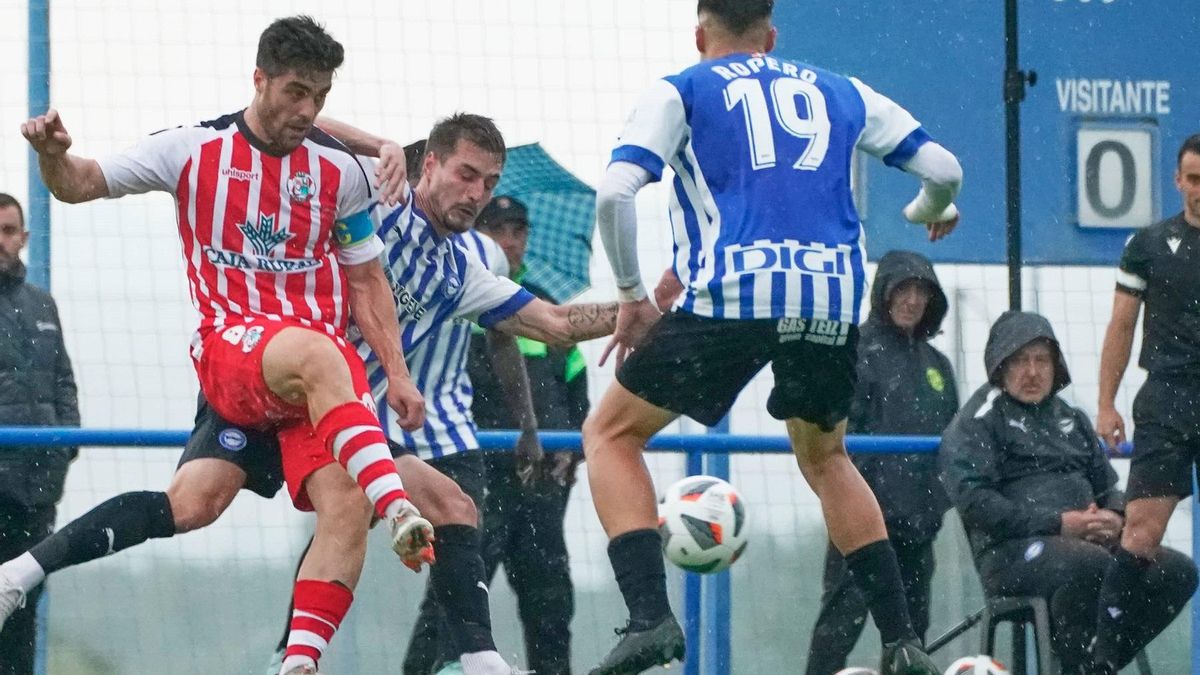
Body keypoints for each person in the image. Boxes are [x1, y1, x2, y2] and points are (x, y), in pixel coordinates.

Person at [8, 17, 438, 675]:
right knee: (326, 360)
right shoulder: (191, 149)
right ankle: (399, 501)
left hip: (310, 389)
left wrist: (401, 375)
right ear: (258, 78)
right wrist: (50, 155)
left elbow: (367, 280)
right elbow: (80, 182)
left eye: (319, 96)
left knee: (213, 502)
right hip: (235, 352)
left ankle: (297, 661)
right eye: (295, 91)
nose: (307, 109)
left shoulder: (340, 174)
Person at [584, 1, 963, 673]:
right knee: (827, 459)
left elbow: (615, 193)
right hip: (828, 296)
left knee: (610, 434)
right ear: (772, 36)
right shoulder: (842, 90)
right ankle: (902, 641)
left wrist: (631, 297)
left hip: (734, 292)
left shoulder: (686, 87)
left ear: (701, 35)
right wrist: (928, 209)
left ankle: (649, 618)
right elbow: (944, 170)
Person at [940, 311, 1197, 673]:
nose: (1032, 371)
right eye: (1020, 360)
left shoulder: (1072, 418)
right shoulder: (977, 421)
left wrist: (1115, 517)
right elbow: (974, 503)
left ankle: (1094, 665)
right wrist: (1058, 524)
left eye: (1041, 360)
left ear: (1055, 365)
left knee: (1175, 570)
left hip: (1088, 544)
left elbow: (1108, 487)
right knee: (1087, 564)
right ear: (1000, 365)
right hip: (1012, 553)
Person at [805, 250, 958, 675]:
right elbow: (837, 442)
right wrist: (875, 500)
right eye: (903, 289)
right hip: (861, 524)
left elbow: (952, 445)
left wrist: (930, 508)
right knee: (836, 630)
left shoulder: (937, 365)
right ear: (884, 294)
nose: (912, 300)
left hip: (917, 527)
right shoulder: (854, 349)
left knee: (912, 642)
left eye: (921, 291)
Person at [1091, 133, 1200, 674]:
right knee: (1141, 532)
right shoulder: (1149, 244)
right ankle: (1101, 659)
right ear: (1178, 181)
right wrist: (1106, 403)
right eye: (1194, 179)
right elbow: (1121, 324)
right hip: (1169, 400)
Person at [468, 195, 589, 675]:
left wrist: (572, 449)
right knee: (456, 601)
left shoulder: (549, 309)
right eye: (498, 229)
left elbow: (578, 397)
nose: (511, 240)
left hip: (542, 485)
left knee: (551, 605)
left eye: (519, 230)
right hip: (479, 479)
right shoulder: (461, 301)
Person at [0, 193, 79, 675]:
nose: (1, 241)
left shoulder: (41, 304)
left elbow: (63, 383)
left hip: (35, 494)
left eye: (9, 230)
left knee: (23, 615)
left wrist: (62, 448)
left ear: (24, 238)